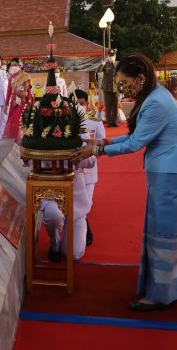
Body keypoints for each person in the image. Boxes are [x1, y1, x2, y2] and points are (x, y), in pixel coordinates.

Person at [75, 54, 177, 311]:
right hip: (166, 170)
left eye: (126, 82)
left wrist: (96, 151)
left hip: (170, 171)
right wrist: (101, 142)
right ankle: (166, 286)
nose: (123, 87)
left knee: (164, 233)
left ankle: (162, 294)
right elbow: (134, 136)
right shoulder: (154, 96)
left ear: (141, 78)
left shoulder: (156, 103)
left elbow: (134, 143)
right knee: (161, 231)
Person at [75, 88, 106, 246]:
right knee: (82, 204)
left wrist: (92, 154)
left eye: (81, 104)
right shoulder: (68, 123)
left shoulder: (95, 121)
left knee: (87, 203)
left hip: (90, 170)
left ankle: (82, 231)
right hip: (76, 171)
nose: (79, 106)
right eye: (76, 104)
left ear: (87, 104)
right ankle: (83, 231)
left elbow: (102, 143)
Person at [3, 64, 31, 142]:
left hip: (23, 103)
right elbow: (9, 92)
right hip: (14, 103)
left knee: (21, 121)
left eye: (16, 65)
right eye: (13, 65)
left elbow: (29, 92)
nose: (14, 67)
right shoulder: (12, 78)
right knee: (13, 122)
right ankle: (14, 141)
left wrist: (29, 102)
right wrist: (6, 104)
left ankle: (23, 140)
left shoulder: (26, 77)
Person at [97, 48, 119, 127]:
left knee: (115, 106)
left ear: (115, 56)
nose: (111, 57)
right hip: (107, 88)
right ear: (108, 56)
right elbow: (98, 70)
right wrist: (104, 62)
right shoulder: (105, 64)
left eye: (113, 55)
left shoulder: (117, 64)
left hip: (116, 87)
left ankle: (114, 122)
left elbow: (121, 73)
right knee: (108, 106)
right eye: (110, 55)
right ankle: (109, 122)